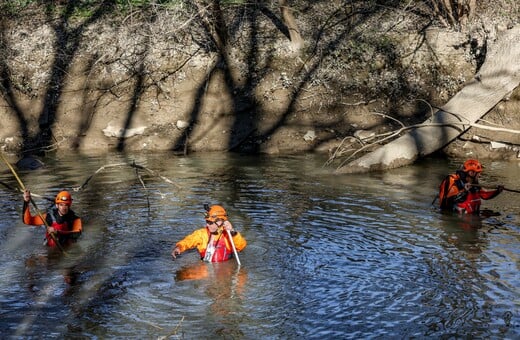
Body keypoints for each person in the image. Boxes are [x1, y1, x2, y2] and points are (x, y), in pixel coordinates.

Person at [171, 205, 246, 262]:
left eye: (210, 223)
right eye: (207, 222)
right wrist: (179, 248)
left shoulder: (228, 235)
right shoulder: (201, 234)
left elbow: (241, 246)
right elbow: (188, 241)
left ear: (220, 222)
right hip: (205, 268)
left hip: (225, 269)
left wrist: (232, 232)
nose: (207, 225)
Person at [438, 159, 503, 214]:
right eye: (478, 173)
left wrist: (497, 191)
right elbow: (449, 201)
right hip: (456, 218)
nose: (480, 176)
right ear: (471, 173)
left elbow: (484, 195)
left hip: (471, 216)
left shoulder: (474, 182)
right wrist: (464, 191)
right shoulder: (454, 181)